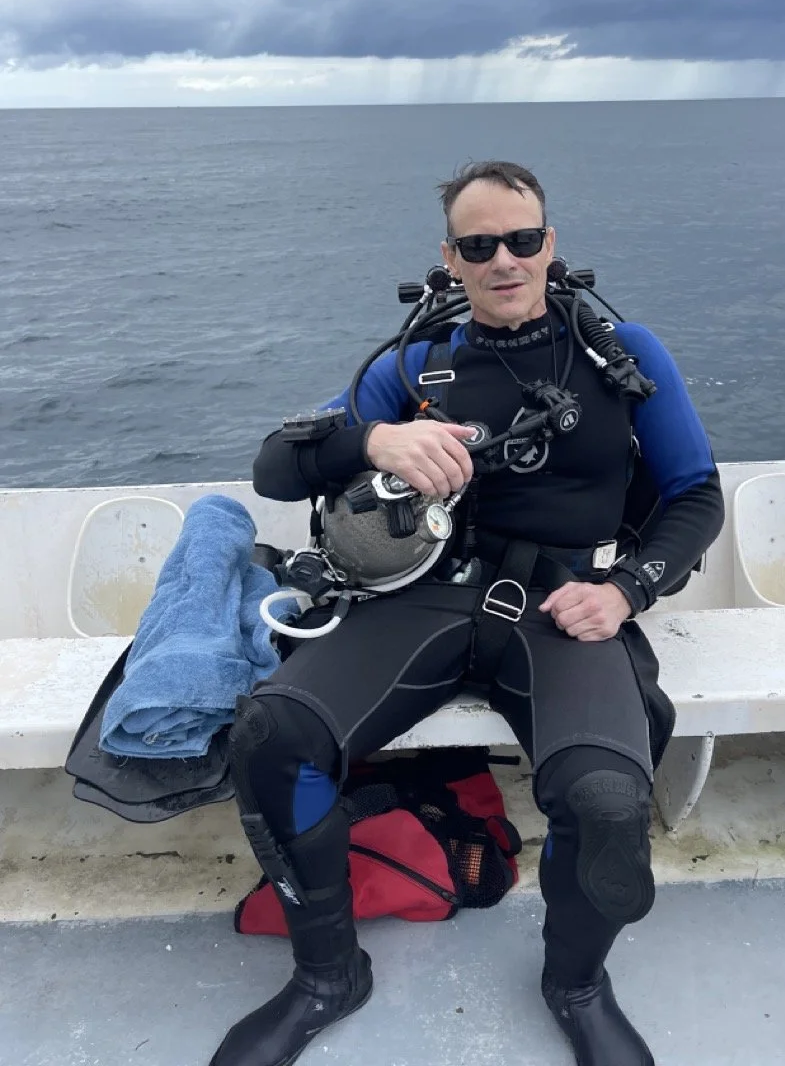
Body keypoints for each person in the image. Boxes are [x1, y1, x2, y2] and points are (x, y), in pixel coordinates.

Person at [210, 160, 724, 1066]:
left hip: (566, 604)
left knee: (606, 799)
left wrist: (627, 589)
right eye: (479, 245)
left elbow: (693, 494)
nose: (504, 260)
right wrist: (373, 438)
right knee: (272, 733)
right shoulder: (415, 366)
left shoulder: (624, 353)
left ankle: (576, 984)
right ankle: (326, 975)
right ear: (450, 259)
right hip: (426, 595)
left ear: (549, 244)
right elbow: (273, 469)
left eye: (522, 240)